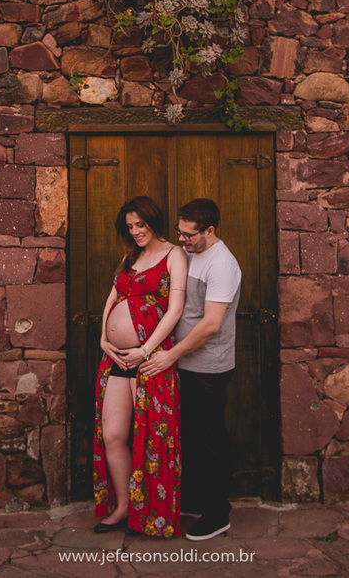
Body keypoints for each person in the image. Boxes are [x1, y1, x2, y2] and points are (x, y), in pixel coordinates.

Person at [140, 197, 241, 541]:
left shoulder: (222, 264)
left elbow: (211, 323)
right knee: (192, 438)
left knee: (210, 440)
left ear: (209, 231)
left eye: (189, 235)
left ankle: (218, 514)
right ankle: (199, 501)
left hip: (208, 367)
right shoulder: (194, 255)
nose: (182, 241)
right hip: (185, 363)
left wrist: (170, 356)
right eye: (179, 233)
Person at [92, 196, 187, 538]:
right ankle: (122, 507)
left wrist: (146, 350)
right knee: (114, 433)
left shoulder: (174, 254)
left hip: (149, 360)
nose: (135, 232)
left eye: (140, 225)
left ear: (153, 222)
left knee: (152, 438)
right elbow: (113, 296)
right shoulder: (131, 256)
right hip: (116, 357)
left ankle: (151, 515)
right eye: (130, 227)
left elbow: (175, 310)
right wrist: (104, 337)